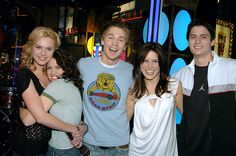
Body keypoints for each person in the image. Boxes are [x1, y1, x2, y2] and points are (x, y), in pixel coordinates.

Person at [12, 27, 82, 156]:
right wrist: (72, 128)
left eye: (49, 49)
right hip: (28, 146)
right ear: (30, 47)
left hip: (49, 145)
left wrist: (82, 128)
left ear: (54, 51)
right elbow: (35, 118)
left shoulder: (54, 76)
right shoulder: (25, 75)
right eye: (38, 47)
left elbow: (66, 110)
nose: (43, 53)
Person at [173, 19, 236, 156]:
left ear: (212, 41)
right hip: (188, 149)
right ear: (188, 41)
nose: (197, 41)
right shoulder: (178, 76)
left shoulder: (232, 68)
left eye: (203, 37)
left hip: (224, 150)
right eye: (193, 37)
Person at [77, 20, 133, 156]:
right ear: (102, 40)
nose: (115, 43)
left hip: (121, 147)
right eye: (110, 37)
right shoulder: (83, 65)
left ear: (125, 46)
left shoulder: (131, 70)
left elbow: (131, 103)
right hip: (90, 145)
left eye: (121, 40)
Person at [127, 42, 183, 156]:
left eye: (155, 61)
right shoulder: (133, 89)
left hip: (166, 152)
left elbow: (189, 117)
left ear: (161, 63)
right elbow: (123, 121)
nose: (149, 66)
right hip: (137, 151)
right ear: (139, 64)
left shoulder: (174, 85)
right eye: (145, 61)